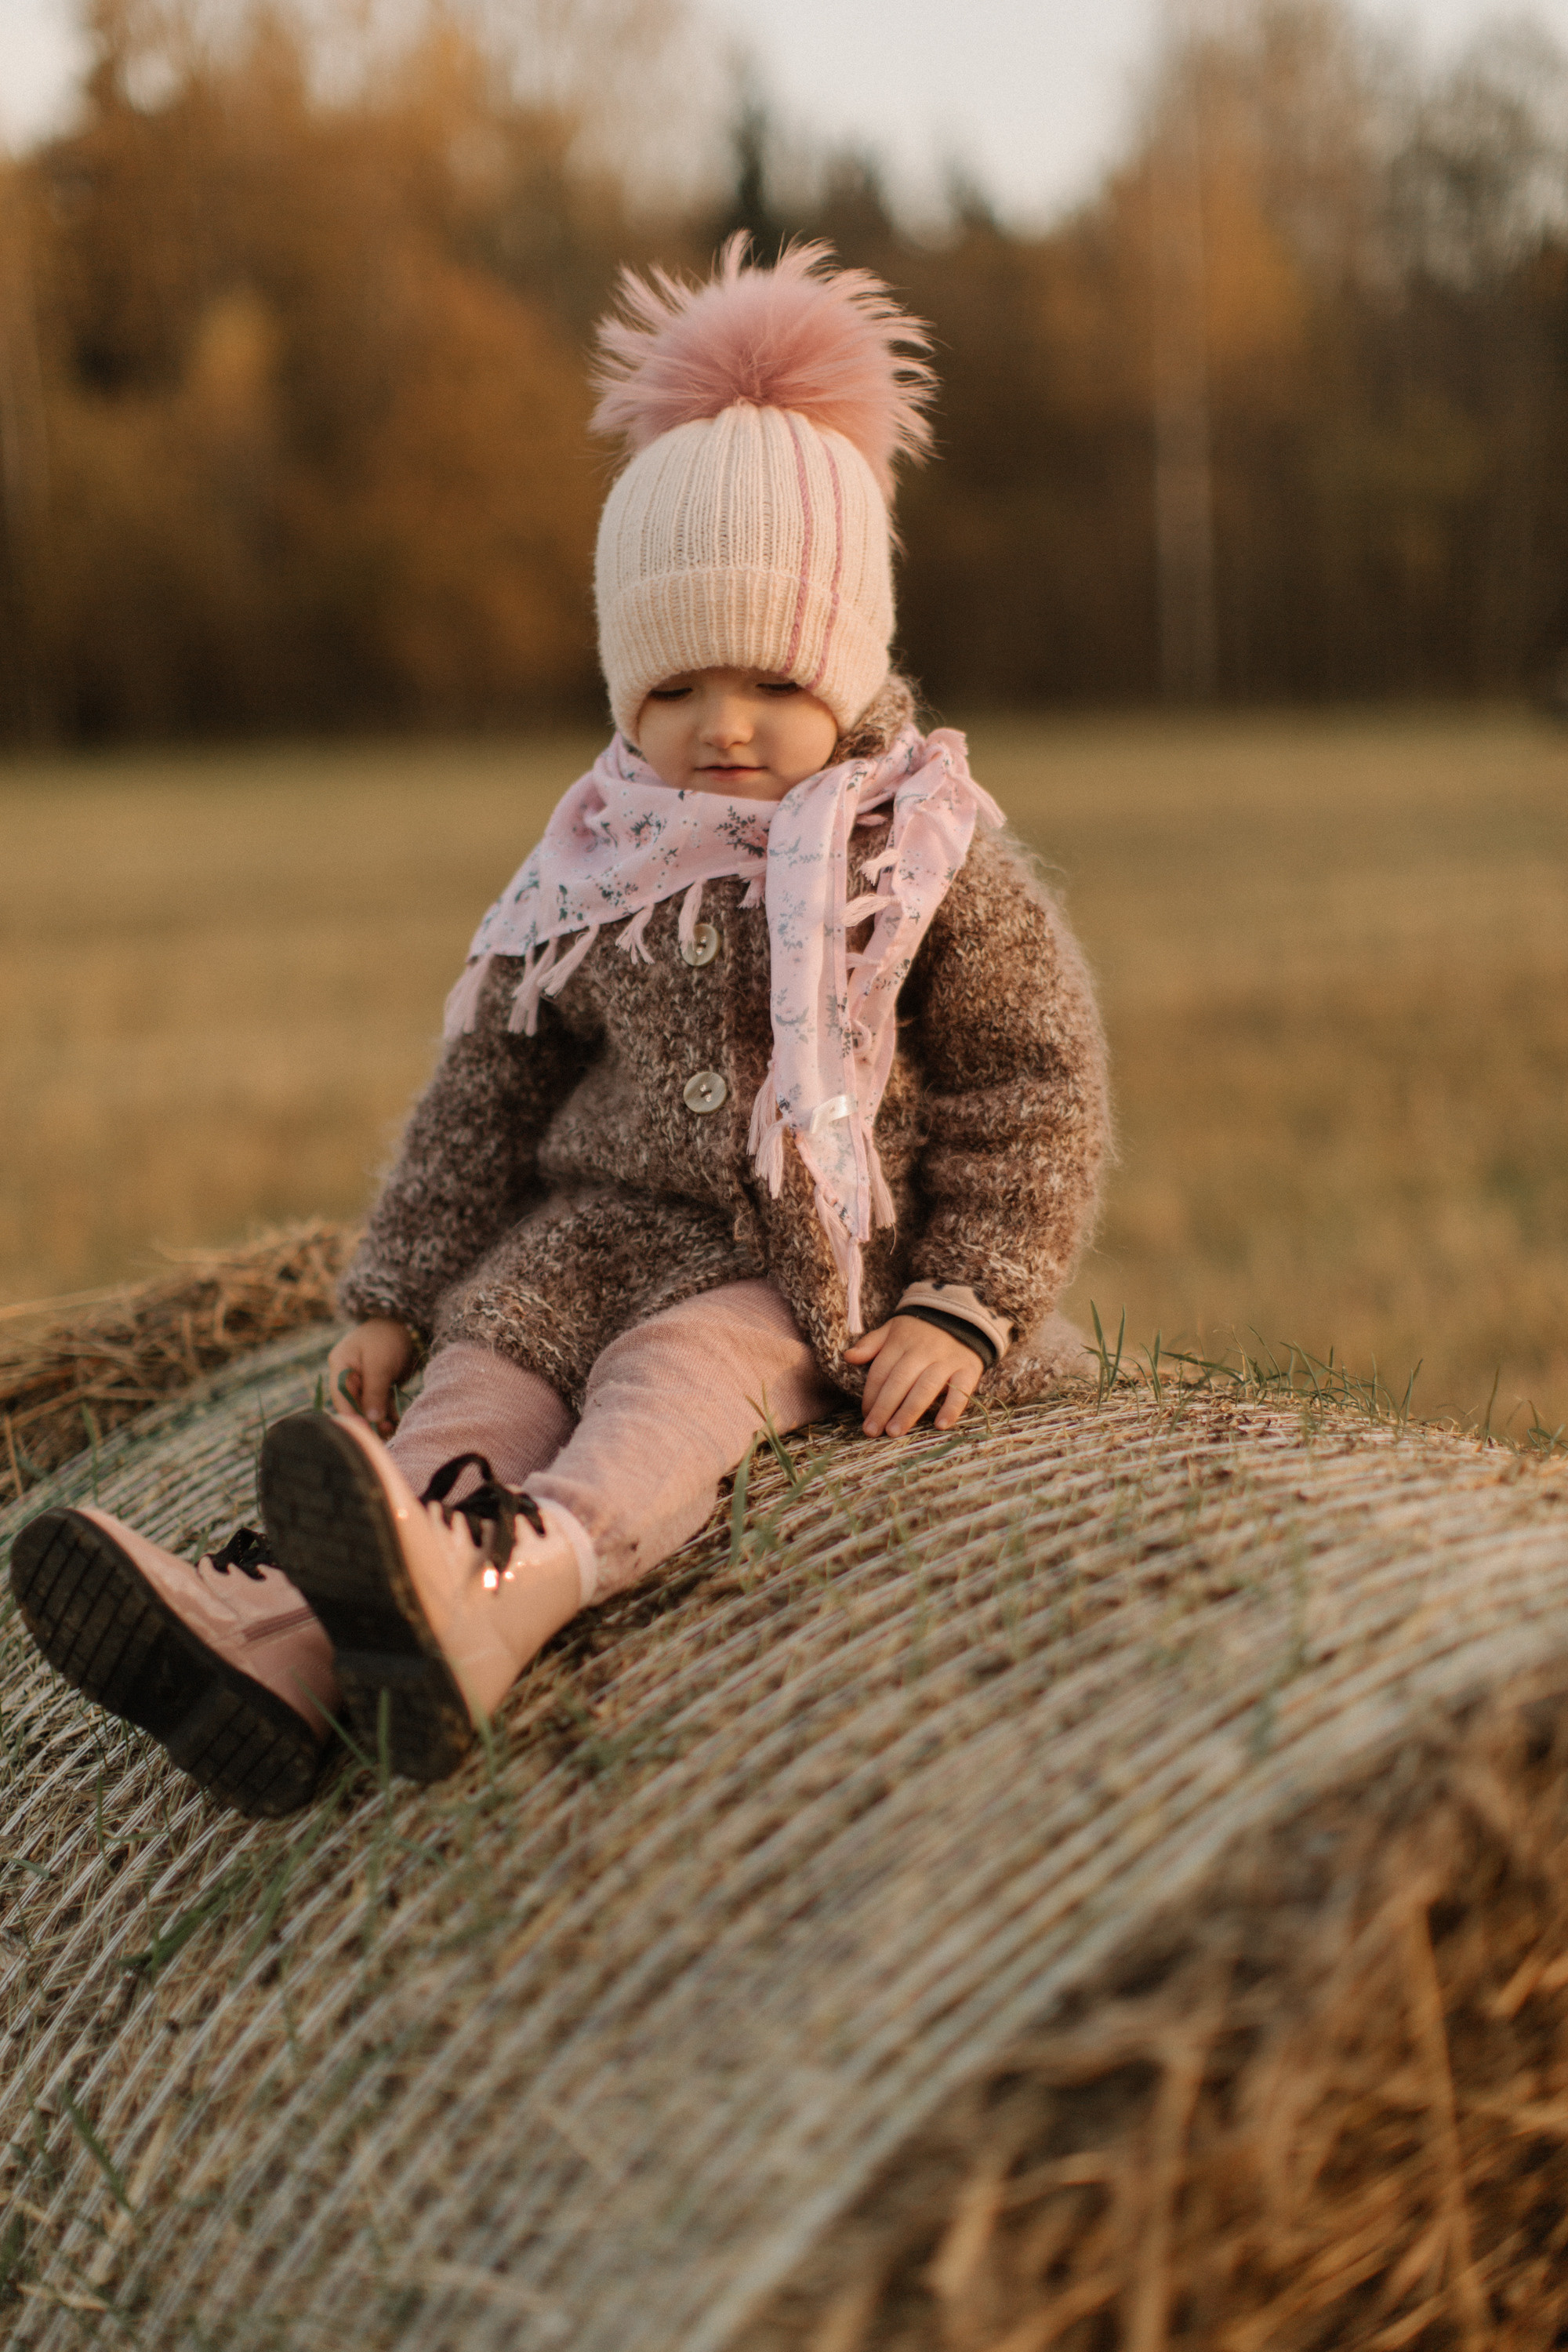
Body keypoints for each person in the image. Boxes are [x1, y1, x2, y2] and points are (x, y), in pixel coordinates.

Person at [9, 241, 1109, 1818]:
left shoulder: (919, 855)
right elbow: (488, 1090)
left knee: (669, 1386)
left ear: (848, 661)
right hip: (589, 1234)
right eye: (674, 688)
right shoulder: (597, 858)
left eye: (769, 678)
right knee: (481, 1376)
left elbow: (1033, 1085)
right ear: (620, 689)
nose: (721, 725)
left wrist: (965, 1300)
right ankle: (292, 1628)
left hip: (795, 1259)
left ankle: (516, 1584)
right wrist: (396, 1293)